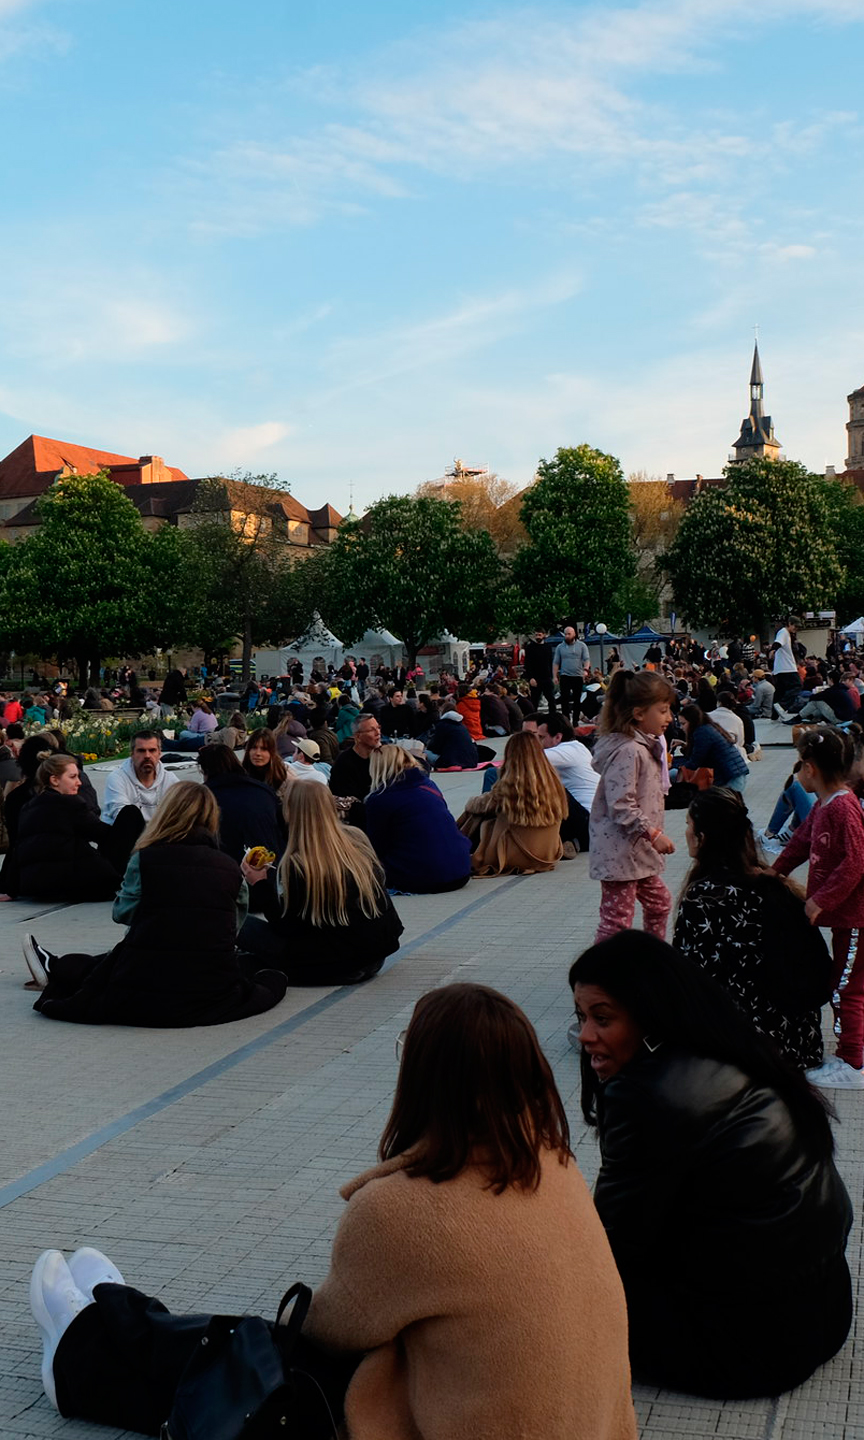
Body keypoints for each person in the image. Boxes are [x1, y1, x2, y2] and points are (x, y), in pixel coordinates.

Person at [30, 984, 636, 1440]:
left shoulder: (406, 1210)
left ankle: (91, 1339)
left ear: (424, 1078)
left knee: (263, 1357)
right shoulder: (552, 1162)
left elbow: (327, 1333)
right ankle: (113, 1317)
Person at [569, 931, 853, 1399]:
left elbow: (613, 1243)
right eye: (581, 1017)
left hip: (745, 1349)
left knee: (543, 1290)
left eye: (603, 1018)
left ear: (651, 1016)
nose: (585, 1036)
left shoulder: (646, 1093)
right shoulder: (736, 1046)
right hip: (825, 1307)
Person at [24, 783, 287, 1025]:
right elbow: (234, 928)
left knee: (111, 963)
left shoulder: (145, 859)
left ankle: (56, 966)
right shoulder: (229, 868)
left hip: (145, 977)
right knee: (267, 976)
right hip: (205, 983)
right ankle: (55, 965)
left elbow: (122, 913)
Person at [674, 787, 825, 1070]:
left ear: (703, 838)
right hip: (799, 1042)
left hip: (742, 1047)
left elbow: (690, 978)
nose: (685, 832)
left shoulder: (705, 896)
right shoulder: (778, 886)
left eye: (688, 825)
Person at [771, 725, 864, 1088]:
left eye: (799, 763)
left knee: (846, 987)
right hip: (845, 919)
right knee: (843, 982)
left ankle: (852, 1061)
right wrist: (771, 873)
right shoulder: (825, 806)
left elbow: (856, 862)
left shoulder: (843, 808)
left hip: (857, 919)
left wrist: (820, 900)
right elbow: (798, 843)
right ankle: (850, 1051)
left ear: (809, 768)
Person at [238, 782, 403, 983]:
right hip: (375, 956)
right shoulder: (356, 839)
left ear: (290, 810)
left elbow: (287, 927)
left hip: (335, 965)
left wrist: (260, 884)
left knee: (237, 921)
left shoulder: (299, 862)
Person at [589, 670, 676, 942]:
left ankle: (652, 958)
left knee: (660, 903)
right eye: (663, 711)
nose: (669, 718)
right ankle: (601, 977)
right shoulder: (629, 750)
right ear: (639, 714)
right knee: (617, 921)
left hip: (637, 853)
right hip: (621, 853)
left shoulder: (644, 746)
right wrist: (653, 834)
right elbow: (621, 806)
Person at [1, 752, 129, 905]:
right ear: (54, 780)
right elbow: (103, 835)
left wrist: (11, 888)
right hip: (71, 884)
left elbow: (18, 848)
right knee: (130, 815)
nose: (79, 783)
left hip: (36, 886)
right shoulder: (70, 804)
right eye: (73, 777)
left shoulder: (28, 807)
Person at [365, 746, 472, 893]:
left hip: (423, 877)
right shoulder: (429, 785)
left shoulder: (380, 798)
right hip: (462, 869)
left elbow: (377, 845)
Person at [460, 731, 569, 875]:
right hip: (546, 853)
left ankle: (455, 849)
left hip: (515, 854)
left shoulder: (513, 785)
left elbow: (484, 804)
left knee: (475, 815)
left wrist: (470, 803)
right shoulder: (553, 780)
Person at [196, 744, 283, 902]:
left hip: (229, 889)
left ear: (205, 770)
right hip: (270, 883)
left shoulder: (204, 798)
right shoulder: (264, 791)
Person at [534, 711, 599, 853]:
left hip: (586, 824)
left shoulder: (566, 751)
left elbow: (526, 759)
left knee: (546, 789)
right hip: (592, 824)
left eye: (541, 737)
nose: (537, 743)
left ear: (558, 737)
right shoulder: (577, 747)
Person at [103, 732, 178, 827]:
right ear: (132, 753)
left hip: (159, 836)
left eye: (152, 750)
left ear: (159, 753)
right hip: (126, 836)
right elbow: (122, 817)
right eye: (141, 751)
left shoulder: (170, 780)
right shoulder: (117, 778)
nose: (147, 756)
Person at [674, 703, 749, 793]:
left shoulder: (702, 733)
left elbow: (695, 761)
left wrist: (673, 766)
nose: (681, 727)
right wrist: (684, 745)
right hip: (735, 774)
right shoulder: (707, 727)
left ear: (692, 721)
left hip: (731, 778)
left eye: (683, 724)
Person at [329, 714, 382, 827]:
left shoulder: (383, 757)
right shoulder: (344, 763)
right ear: (357, 737)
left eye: (378, 728)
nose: (378, 733)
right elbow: (346, 801)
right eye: (371, 730)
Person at [552, 625, 590, 723]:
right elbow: (556, 662)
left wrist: (586, 670)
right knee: (564, 698)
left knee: (577, 699)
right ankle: (566, 720)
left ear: (574, 634)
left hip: (577, 675)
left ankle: (575, 721)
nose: (567, 636)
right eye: (565, 634)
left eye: (569, 634)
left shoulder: (581, 646)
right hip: (565, 675)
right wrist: (554, 676)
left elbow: (586, 659)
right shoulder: (560, 647)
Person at [241, 726, 288, 795]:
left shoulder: (283, 778)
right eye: (254, 747)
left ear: (272, 752)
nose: (258, 753)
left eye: (264, 749)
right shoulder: (240, 774)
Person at [522, 628, 556, 712]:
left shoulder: (548, 647)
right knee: (534, 701)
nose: (537, 637)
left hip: (546, 678)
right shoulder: (530, 648)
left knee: (551, 699)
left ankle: (553, 718)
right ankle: (535, 720)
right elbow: (527, 664)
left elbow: (550, 662)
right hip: (535, 678)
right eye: (536, 635)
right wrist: (530, 678)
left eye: (539, 635)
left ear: (544, 635)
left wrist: (552, 676)